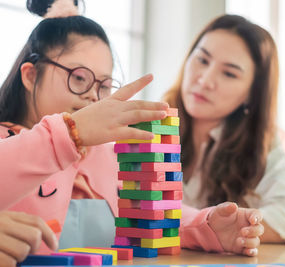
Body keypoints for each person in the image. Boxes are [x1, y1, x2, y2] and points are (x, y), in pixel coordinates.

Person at [0, 11, 263, 267]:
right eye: (79, 78)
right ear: (31, 75)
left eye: (104, 86)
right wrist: (69, 132)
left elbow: (152, 212)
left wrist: (208, 227)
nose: (94, 96)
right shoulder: (8, 143)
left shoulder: (107, 155)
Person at [163, 14, 285, 245]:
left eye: (229, 73)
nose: (206, 80)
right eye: (202, 60)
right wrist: (210, 228)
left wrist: (236, 226)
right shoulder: (148, 123)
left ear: (252, 94)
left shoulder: (259, 143)